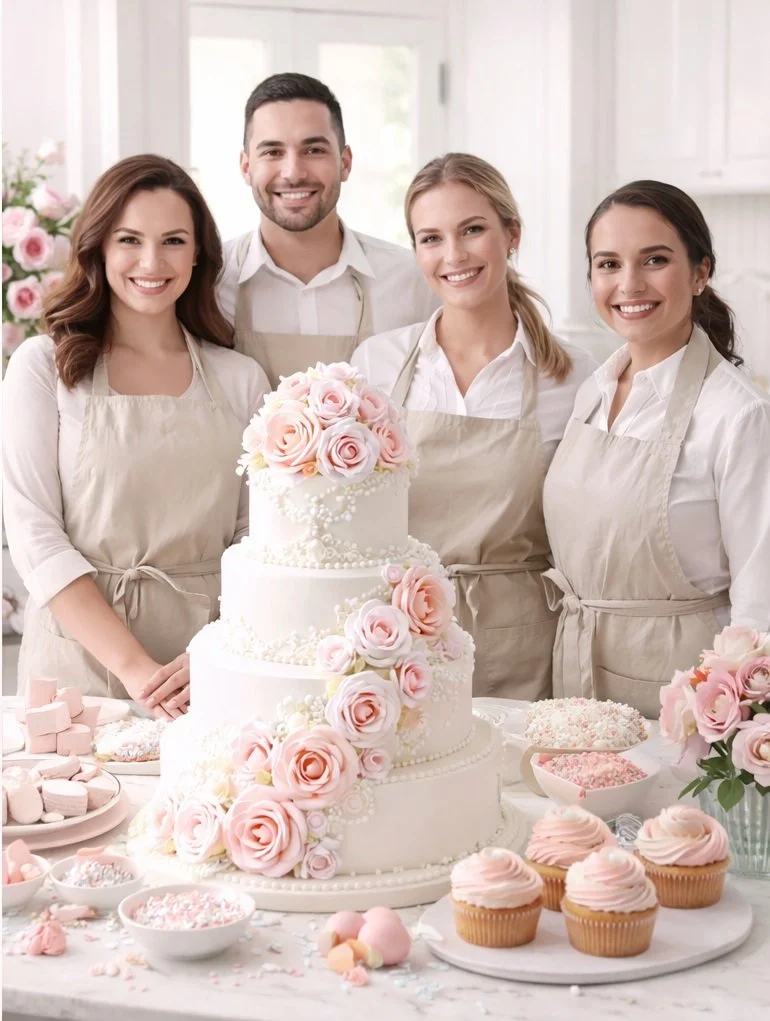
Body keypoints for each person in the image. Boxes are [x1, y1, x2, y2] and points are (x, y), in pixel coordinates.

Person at [3, 155, 270, 717]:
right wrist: (136, 671)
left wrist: (214, 651)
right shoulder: (43, 367)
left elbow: (258, 539)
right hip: (77, 661)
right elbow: (34, 535)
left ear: (198, 255)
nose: (152, 262)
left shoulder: (239, 378)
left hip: (207, 663)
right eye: (130, 239)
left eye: (174, 240)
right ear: (98, 246)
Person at [352, 154, 596, 699]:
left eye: (473, 230)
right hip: (398, 638)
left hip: (525, 645)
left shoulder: (578, 378)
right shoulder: (377, 364)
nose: (453, 255)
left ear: (511, 235)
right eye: (431, 238)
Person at [543, 180, 770, 717]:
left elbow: (760, 600)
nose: (629, 284)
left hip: (686, 703)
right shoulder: (592, 392)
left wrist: (742, 725)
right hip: (577, 687)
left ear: (700, 273)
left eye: (654, 260)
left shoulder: (737, 414)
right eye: (608, 264)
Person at [217, 72, 438, 386]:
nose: (293, 173)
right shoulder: (210, 283)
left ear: (345, 162)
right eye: (272, 152)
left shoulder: (413, 281)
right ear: (246, 167)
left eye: (313, 150)